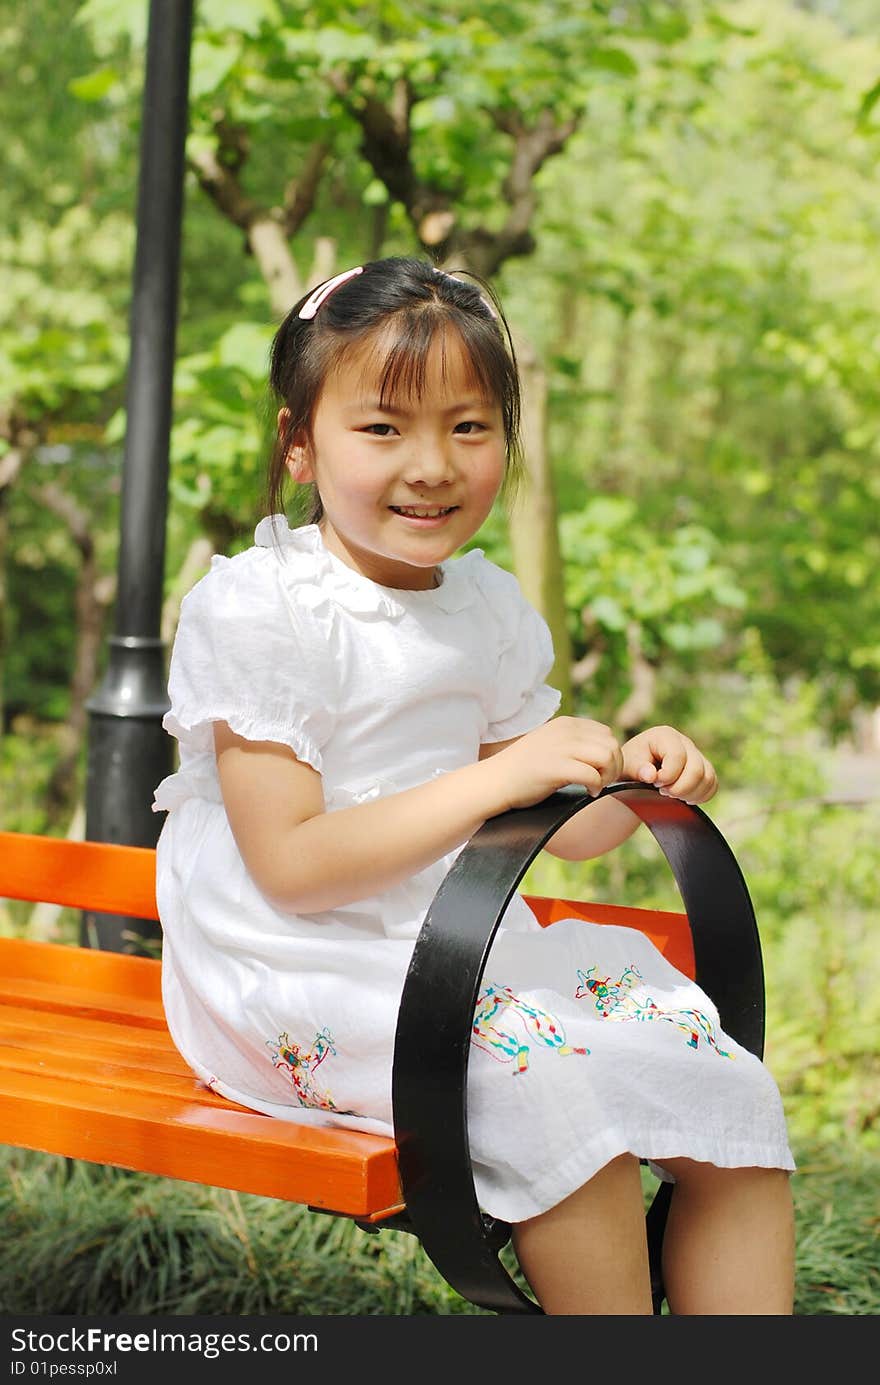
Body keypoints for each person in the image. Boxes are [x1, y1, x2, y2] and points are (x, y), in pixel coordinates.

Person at [153, 256, 796, 1315]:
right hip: (293, 960)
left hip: (456, 935)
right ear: (299, 444)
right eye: (382, 428)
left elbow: (560, 828)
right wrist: (498, 776)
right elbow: (294, 866)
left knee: (720, 1075)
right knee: (561, 1102)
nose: (432, 464)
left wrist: (630, 769)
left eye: (468, 426)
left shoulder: (486, 605)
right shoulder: (263, 608)